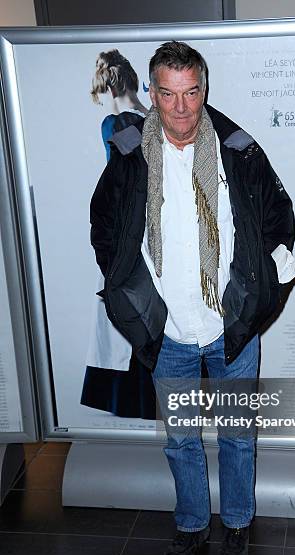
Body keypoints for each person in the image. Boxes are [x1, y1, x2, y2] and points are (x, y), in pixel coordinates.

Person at [89, 41, 295, 555]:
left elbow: (277, 221)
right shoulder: (131, 156)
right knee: (181, 440)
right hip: (169, 330)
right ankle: (191, 525)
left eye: (191, 92)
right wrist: (127, 294)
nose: (181, 108)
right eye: (168, 94)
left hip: (230, 326)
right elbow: (105, 228)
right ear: (152, 93)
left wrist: (260, 295)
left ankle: (237, 525)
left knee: (236, 436)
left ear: (204, 89)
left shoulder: (240, 150)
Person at [81, 49, 156, 419]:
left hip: (128, 230)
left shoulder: (114, 125)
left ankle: (130, 401)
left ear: (109, 85)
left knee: (124, 311)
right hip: (153, 230)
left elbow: (119, 182)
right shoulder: (154, 117)